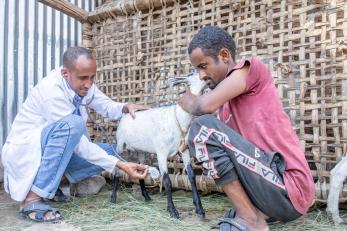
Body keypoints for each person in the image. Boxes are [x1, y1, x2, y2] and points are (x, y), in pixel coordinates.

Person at [178, 26, 315, 231]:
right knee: (204, 133)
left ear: (224, 55)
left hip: (291, 187)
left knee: (202, 128)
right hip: (269, 196)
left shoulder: (251, 69)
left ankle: (249, 219)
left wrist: (189, 101)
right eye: (198, 69)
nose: (201, 75)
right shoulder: (225, 109)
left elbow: (203, 106)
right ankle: (254, 214)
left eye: (203, 66)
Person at [1, 47, 150, 222]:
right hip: (28, 152)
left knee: (115, 151)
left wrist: (126, 107)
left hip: (56, 153)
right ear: (65, 73)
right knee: (74, 124)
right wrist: (118, 165)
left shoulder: (84, 86)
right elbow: (80, 144)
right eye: (83, 78)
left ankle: (55, 184)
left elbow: (106, 106)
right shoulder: (51, 91)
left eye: (92, 77)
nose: (89, 84)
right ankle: (31, 200)